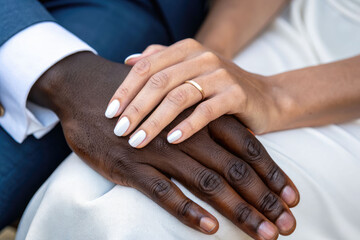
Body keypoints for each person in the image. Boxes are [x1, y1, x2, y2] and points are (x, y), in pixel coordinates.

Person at [16, 0, 360, 239]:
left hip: (338, 94)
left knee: (143, 219)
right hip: (274, 28)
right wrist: (201, 62)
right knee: (86, 187)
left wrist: (275, 94)